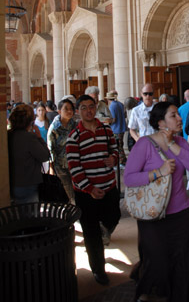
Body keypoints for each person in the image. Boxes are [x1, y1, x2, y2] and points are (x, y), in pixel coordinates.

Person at [124, 101, 189, 302]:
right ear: (160, 123)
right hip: (153, 213)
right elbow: (129, 178)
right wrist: (158, 172)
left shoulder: (181, 143)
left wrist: (173, 145)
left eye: (178, 115)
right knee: (156, 260)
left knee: (181, 260)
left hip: (180, 212)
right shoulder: (144, 144)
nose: (179, 118)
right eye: (173, 115)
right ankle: (149, 291)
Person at [66, 95, 121, 286]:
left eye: (91, 107)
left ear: (96, 107)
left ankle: (103, 229)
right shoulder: (74, 137)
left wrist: (114, 158)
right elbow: (74, 167)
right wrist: (89, 189)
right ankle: (98, 269)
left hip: (108, 188)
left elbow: (115, 149)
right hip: (86, 194)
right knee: (91, 234)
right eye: (83, 108)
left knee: (114, 217)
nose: (88, 111)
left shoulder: (106, 130)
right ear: (77, 111)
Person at [8, 104, 50, 204]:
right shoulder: (29, 137)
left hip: (10, 182)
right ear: (30, 121)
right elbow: (44, 156)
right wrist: (39, 137)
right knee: (30, 216)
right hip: (28, 183)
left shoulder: (7, 135)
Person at [47, 98, 78, 203]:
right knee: (67, 192)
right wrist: (51, 167)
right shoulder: (54, 128)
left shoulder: (75, 125)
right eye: (66, 109)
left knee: (78, 190)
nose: (69, 111)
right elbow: (51, 149)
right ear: (59, 111)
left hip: (75, 163)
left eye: (71, 109)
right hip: (60, 165)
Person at [106, 91, 127, 164]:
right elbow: (125, 115)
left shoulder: (112, 106)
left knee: (118, 146)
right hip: (122, 127)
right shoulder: (120, 104)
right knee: (121, 144)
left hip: (115, 129)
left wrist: (108, 123)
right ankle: (123, 160)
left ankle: (122, 160)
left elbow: (113, 119)